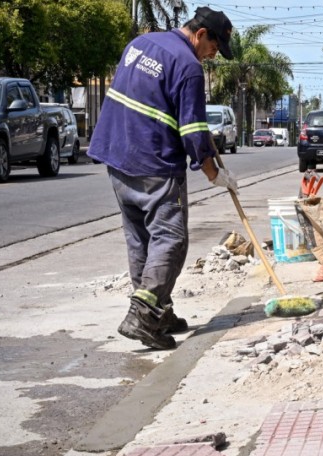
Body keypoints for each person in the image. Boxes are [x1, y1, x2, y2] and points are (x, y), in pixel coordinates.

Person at [87, 7, 239, 350]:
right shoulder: (188, 67)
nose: (214, 55)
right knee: (170, 240)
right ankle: (143, 316)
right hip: (153, 161)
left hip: (117, 154)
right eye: (214, 47)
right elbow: (193, 131)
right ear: (201, 35)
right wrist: (216, 175)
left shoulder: (142, 44)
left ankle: (159, 310)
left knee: (141, 239)